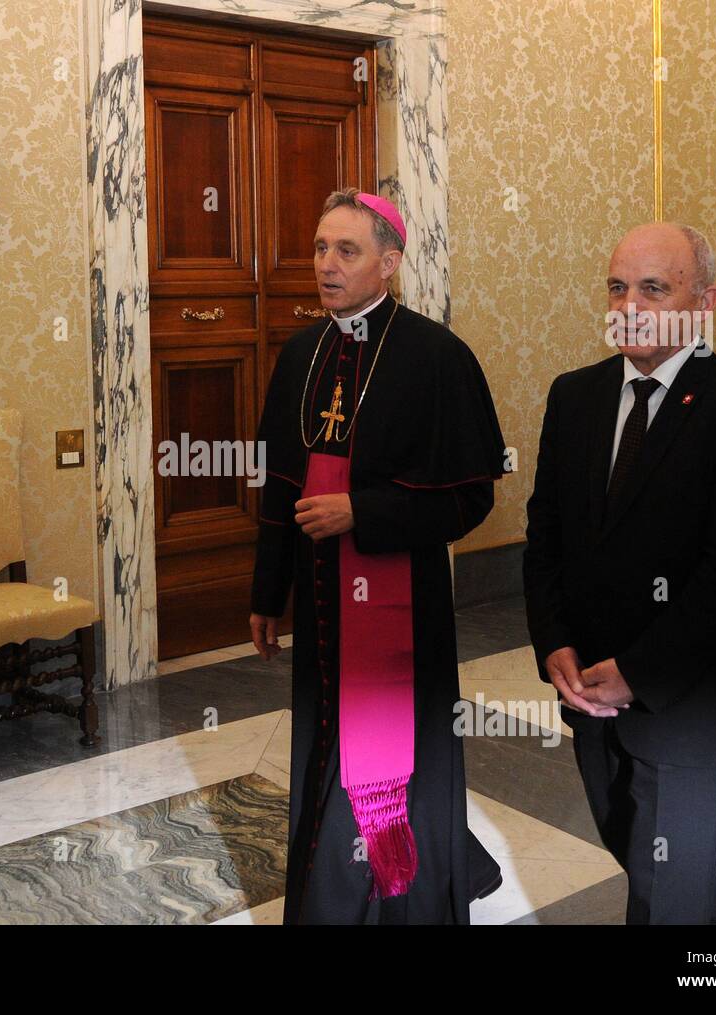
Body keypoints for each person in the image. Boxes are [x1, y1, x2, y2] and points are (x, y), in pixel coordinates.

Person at [523, 221, 716, 924]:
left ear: (702, 302)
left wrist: (640, 671)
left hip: (687, 703)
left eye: (654, 287)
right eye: (617, 287)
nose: (630, 304)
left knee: (665, 900)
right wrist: (553, 639)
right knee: (652, 869)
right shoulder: (573, 396)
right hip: (588, 693)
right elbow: (546, 534)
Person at [250, 188, 508, 923]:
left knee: (407, 762)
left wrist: (364, 511)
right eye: (320, 249)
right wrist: (268, 592)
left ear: (388, 264)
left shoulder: (436, 356)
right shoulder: (299, 354)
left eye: (347, 251)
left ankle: (406, 902)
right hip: (321, 601)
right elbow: (281, 487)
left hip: (404, 610)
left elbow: (469, 498)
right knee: (324, 741)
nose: (326, 265)